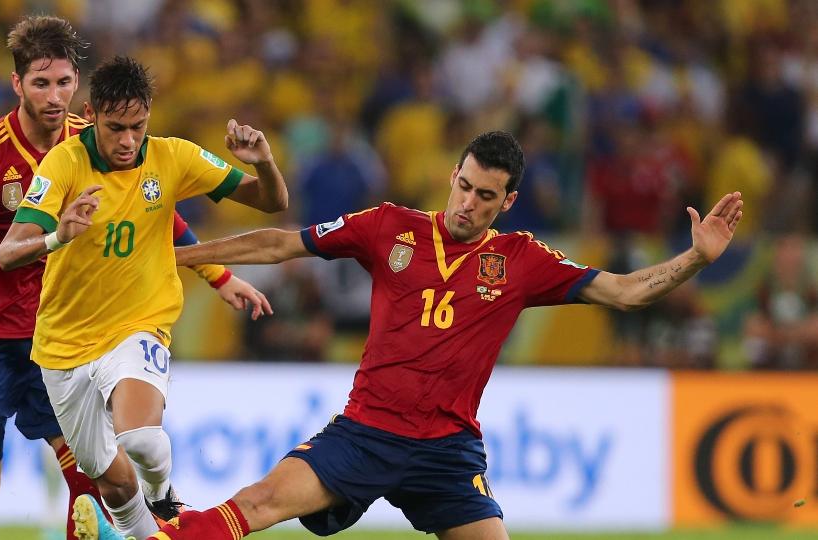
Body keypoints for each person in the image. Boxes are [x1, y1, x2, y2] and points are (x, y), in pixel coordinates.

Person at [79, 131, 744, 540]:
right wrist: (179, 258)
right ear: (451, 176)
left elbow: (625, 291)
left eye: (485, 195)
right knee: (256, 504)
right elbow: (284, 243)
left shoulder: (521, 261)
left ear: (507, 202)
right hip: (367, 432)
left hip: (448, 451)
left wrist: (696, 260)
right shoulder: (389, 225)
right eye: (463, 185)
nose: (467, 203)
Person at [0, 18, 271, 540]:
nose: (55, 96)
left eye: (64, 82)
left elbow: (155, 210)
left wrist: (219, 276)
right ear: (17, 85)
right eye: (41, 83)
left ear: (77, 82)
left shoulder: (98, 140)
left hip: (62, 335)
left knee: (91, 475)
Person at [0, 55, 288, 540]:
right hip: (62, 346)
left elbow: (272, 201)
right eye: (116, 128)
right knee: (111, 482)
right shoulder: (64, 163)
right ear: (90, 115)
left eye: (138, 126)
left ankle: (164, 495)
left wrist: (266, 164)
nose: (128, 141)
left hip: (139, 325)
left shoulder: (173, 157)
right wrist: (58, 235)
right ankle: (144, 531)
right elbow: (9, 252)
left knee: (143, 441)